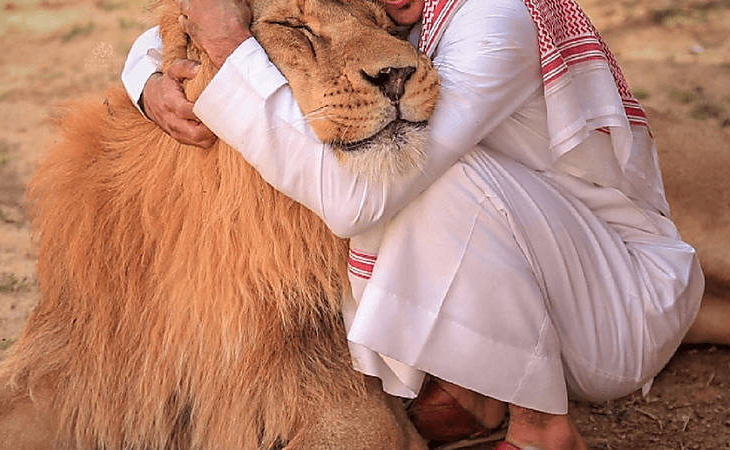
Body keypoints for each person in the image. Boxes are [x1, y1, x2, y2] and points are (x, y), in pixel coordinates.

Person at [122, 0, 730, 448]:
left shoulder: (497, 19)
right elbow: (191, 22)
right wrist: (148, 82)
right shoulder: (395, 11)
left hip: (619, 309)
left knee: (415, 167)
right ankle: (477, 396)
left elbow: (358, 200)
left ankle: (542, 433)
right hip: (548, 285)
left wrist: (228, 59)